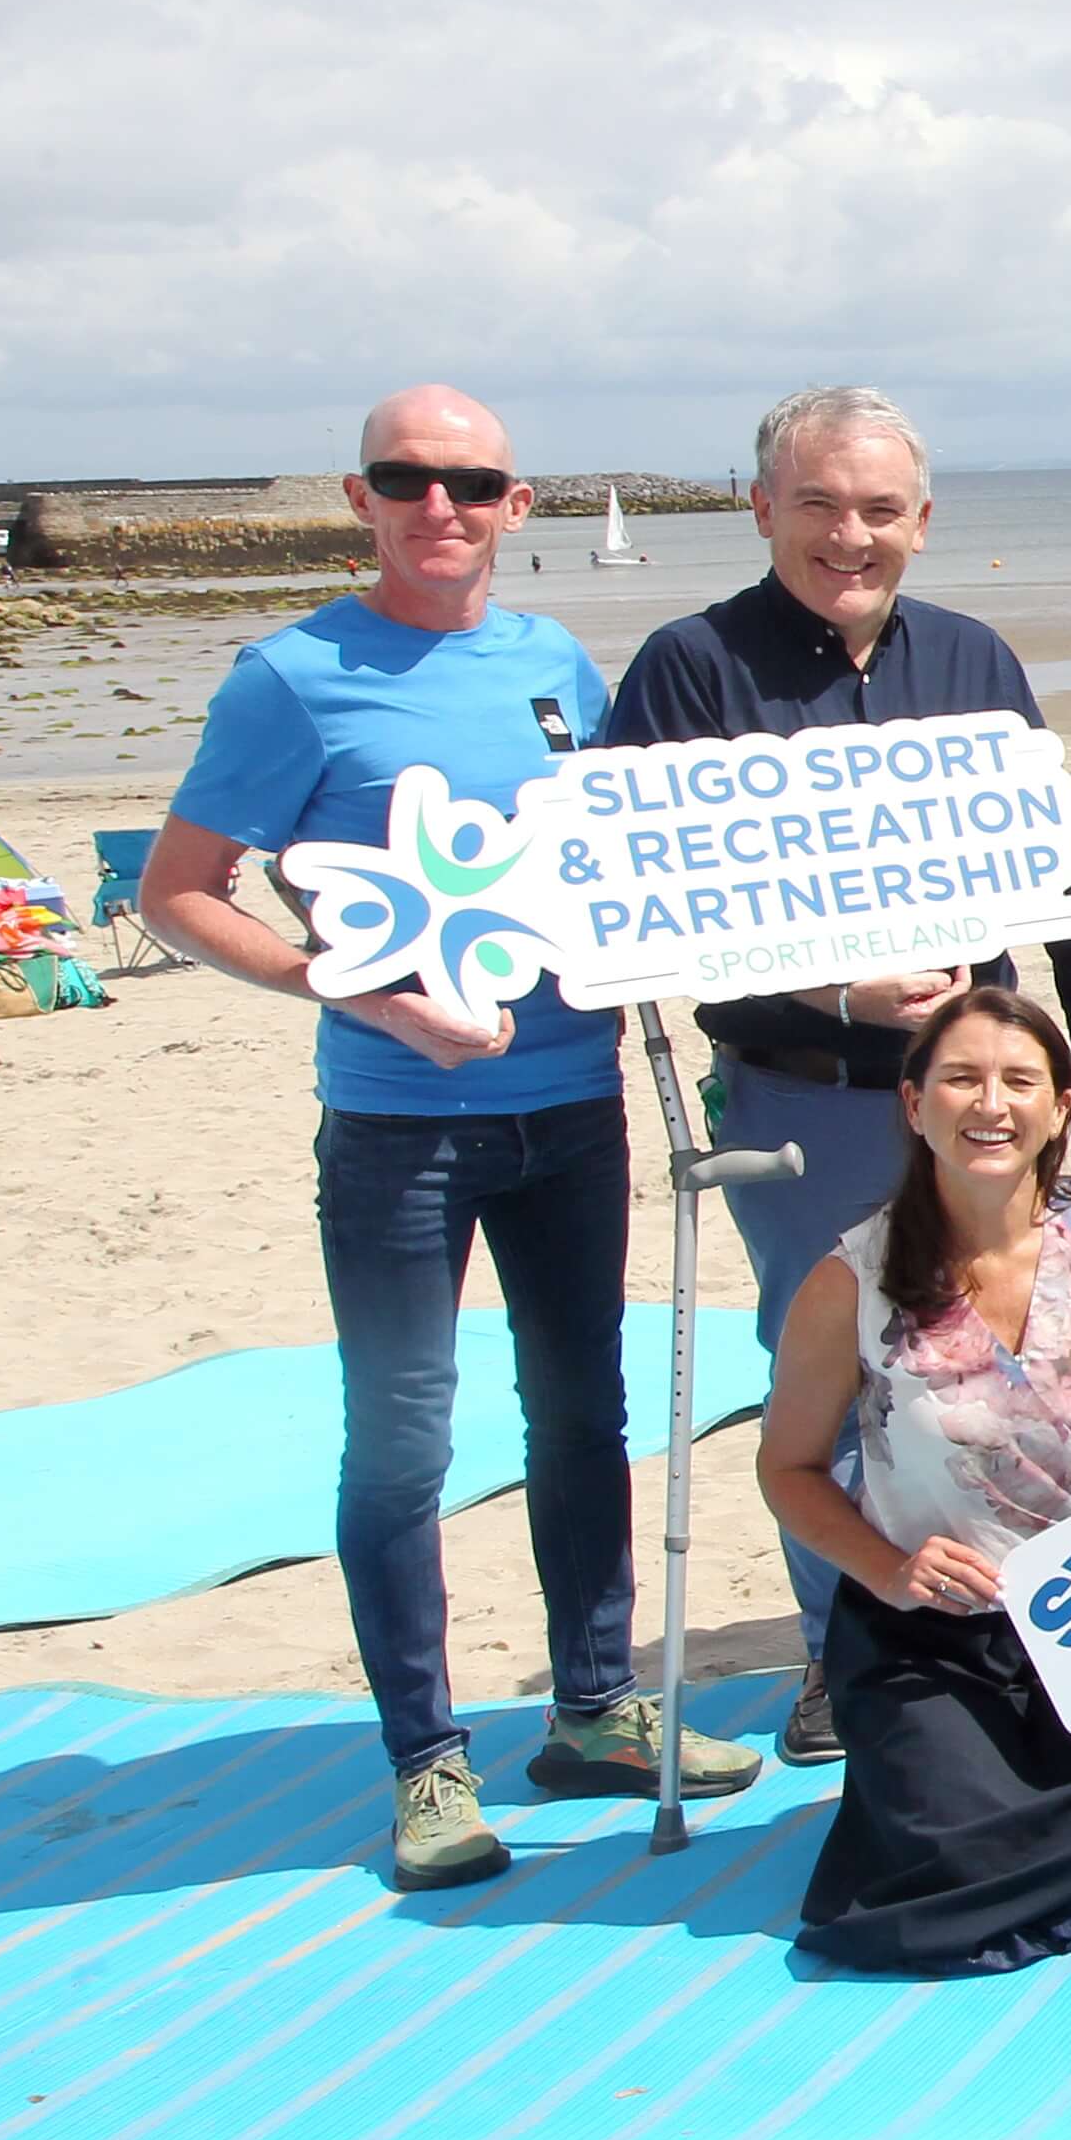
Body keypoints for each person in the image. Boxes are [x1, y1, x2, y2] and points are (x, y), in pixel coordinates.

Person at [143, 383, 762, 1888]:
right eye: (406, 478)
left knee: (583, 1416)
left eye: (471, 482)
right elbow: (180, 890)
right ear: (359, 497)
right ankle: (426, 1763)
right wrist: (341, 985)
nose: (441, 506)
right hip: (397, 1130)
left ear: (516, 503)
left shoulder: (554, 660)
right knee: (405, 1441)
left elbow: (624, 860)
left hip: (569, 1105)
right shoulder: (290, 677)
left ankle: (596, 1710)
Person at [601, 385, 1071, 1768]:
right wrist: (826, 987)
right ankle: (841, 1639)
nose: (847, 534)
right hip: (805, 1091)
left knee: (1011, 1365)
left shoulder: (973, 658)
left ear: (921, 521)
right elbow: (637, 896)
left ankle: (1034, 1612)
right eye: (817, 505)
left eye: (876, 509)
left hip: (983, 1100)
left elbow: (1059, 867)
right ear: (763, 509)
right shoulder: (690, 666)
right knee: (840, 1368)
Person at [758, 987, 1071, 1969]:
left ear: (1062, 1104)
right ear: (913, 1102)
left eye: (1020, 1080)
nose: (992, 1103)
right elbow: (789, 1468)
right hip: (933, 1636)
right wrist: (887, 1569)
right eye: (962, 1078)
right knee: (948, 1863)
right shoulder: (850, 1280)